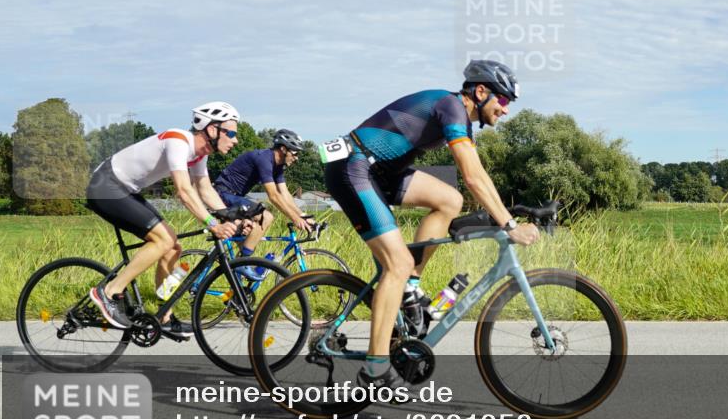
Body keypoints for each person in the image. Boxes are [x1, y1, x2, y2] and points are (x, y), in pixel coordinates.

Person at [323, 60, 540, 390]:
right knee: (397, 264)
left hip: (380, 172)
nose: (505, 109)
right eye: (503, 100)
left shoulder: (457, 115)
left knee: (450, 200)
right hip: (353, 167)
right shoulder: (450, 107)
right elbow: (473, 176)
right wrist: (509, 224)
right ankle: (375, 369)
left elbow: (477, 175)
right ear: (481, 91)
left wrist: (505, 214)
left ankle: (409, 286)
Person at [85, 102, 244, 338]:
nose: (235, 140)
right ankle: (108, 292)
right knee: (163, 240)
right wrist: (213, 224)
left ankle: (164, 316)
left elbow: (205, 189)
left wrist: (234, 216)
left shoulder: (199, 155)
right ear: (212, 129)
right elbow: (184, 190)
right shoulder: (178, 141)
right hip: (106, 186)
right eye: (230, 133)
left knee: (173, 248)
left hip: (126, 190)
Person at [212, 129, 314, 279]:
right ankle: (242, 265)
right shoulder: (264, 159)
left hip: (234, 197)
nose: (297, 157)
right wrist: (294, 218)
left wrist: (302, 215)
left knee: (247, 233)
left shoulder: (277, 166)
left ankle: (238, 280)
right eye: (295, 153)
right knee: (266, 217)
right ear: (283, 149)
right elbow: (273, 196)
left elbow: (284, 194)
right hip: (223, 194)